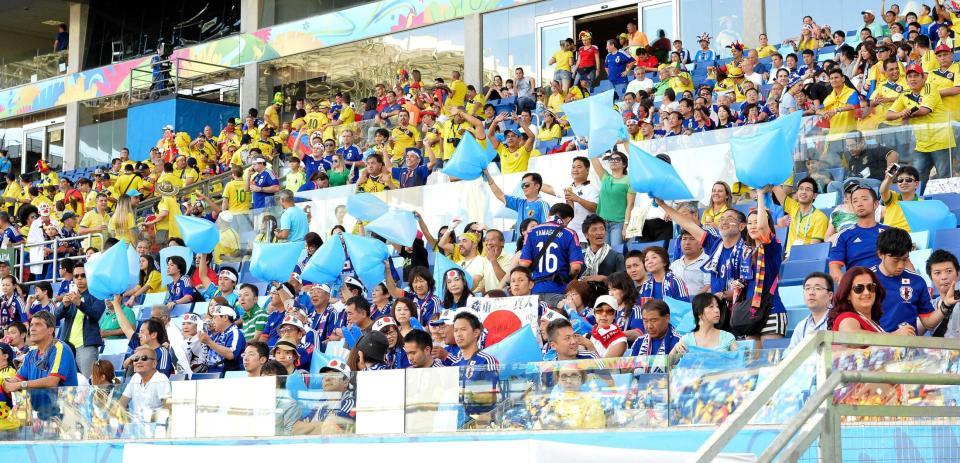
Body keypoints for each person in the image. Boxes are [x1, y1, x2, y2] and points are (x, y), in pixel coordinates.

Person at [886, 63, 955, 194]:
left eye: (916, 76)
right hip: (922, 144)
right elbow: (889, 115)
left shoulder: (930, 88)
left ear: (923, 78)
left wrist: (907, 114)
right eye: (909, 76)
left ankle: (945, 204)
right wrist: (902, 114)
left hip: (941, 142)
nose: (912, 79)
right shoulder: (905, 94)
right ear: (906, 80)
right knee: (916, 178)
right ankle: (920, 204)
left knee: (944, 178)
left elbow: (924, 110)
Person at [1, 311, 78, 419]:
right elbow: (17, 379)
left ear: (50, 330)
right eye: (31, 325)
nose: (32, 328)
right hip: (39, 416)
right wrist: (7, 382)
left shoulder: (60, 348)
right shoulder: (31, 354)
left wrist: (20, 385)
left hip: (62, 415)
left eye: (38, 324)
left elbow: (52, 381)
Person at [872, 228, 941, 334]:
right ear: (881, 254)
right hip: (875, 347)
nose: (901, 266)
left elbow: (928, 323)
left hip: (908, 347)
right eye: (895, 260)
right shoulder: (866, 279)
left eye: (905, 259)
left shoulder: (917, 281)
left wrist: (946, 306)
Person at [519, 203, 583, 301]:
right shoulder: (570, 233)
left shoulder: (531, 232)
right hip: (560, 291)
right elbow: (575, 267)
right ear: (569, 219)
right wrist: (569, 278)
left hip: (535, 291)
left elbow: (524, 264)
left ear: (549, 214)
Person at [828, 185, 888, 284]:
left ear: (876, 204)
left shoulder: (889, 232)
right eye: (855, 201)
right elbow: (834, 269)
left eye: (864, 199)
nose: (859, 204)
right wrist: (849, 288)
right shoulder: (843, 236)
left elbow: (905, 263)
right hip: (859, 287)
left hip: (888, 284)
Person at [54, 262, 105, 378]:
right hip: (67, 347)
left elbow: (96, 314)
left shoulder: (97, 294)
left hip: (86, 346)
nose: (80, 278)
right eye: (76, 276)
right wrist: (64, 305)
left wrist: (79, 304)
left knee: (88, 382)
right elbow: (54, 318)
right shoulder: (70, 295)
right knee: (68, 385)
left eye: (83, 275)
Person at [829, 266, 910, 335]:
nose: (866, 292)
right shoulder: (846, 317)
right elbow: (852, 338)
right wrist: (895, 336)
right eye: (858, 288)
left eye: (870, 287)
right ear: (848, 295)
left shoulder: (871, 322)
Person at [450, 311, 499, 419]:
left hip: (479, 424)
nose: (458, 334)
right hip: (455, 424)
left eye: (463, 329)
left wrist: (467, 394)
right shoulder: (455, 364)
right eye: (455, 330)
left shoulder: (486, 360)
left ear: (476, 332)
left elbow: (492, 398)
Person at [118, 346, 171, 433]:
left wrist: (147, 417)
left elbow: (168, 409)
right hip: (137, 429)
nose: (139, 361)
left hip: (157, 429)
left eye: (144, 358)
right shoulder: (135, 377)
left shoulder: (161, 379)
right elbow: (121, 403)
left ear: (154, 363)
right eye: (136, 359)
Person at [483, 169, 550, 238]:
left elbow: (547, 228)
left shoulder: (543, 204)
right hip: (521, 246)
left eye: (526, 185)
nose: (524, 188)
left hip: (536, 246)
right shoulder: (520, 203)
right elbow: (500, 195)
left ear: (537, 186)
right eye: (522, 185)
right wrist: (489, 177)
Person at [538, 363, 606, 429]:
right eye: (564, 376)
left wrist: (563, 426)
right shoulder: (553, 405)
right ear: (559, 379)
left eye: (574, 376)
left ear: (581, 378)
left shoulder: (592, 405)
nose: (569, 381)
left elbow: (594, 436)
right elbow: (537, 430)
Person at [772, 177, 829, 255]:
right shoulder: (793, 207)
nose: (803, 192)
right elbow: (776, 188)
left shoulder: (820, 218)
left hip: (806, 257)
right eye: (801, 189)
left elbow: (813, 248)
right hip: (788, 255)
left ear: (815, 195)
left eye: (808, 189)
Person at [591, 151, 634, 251]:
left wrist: (626, 226)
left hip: (619, 223)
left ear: (624, 164)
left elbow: (630, 205)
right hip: (601, 223)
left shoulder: (629, 180)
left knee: (616, 251)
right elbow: (593, 157)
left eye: (617, 159)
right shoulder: (605, 177)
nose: (613, 161)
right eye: (611, 159)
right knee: (604, 252)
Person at [672, 293, 737, 353]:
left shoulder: (728, 338)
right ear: (699, 312)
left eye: (717, 307)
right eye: (711, 306)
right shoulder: (686, 340)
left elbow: (740, 361)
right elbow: (666, 364)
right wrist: (675, 349)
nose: (717, 310)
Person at [628, 300, 680, 371]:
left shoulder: (678, 342)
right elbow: (629, 370)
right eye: (645, 321)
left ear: (667, 318)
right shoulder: (639, 341)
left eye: (654, 320)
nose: (649, 326)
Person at [788, 272, 834, 349]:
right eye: (807, 288)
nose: (811, 293)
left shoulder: (839, 319)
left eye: (818, 288)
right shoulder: (801, 326)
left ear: (830, 295)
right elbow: (789, 354)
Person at [199, 305, 246, 374]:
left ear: (225, 317)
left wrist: (209, 342)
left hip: (226, 375)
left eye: (215, 318)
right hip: (212, 373)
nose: (212, 321)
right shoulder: (217, 335)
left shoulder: (235, 332)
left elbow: (231, 354)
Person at [579, 215, 624, 282]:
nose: (599, 233)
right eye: (594, 230)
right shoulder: (581, 258)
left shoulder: (617, 257)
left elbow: (623, 282)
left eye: (602, 229)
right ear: (586, 235)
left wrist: (604, 279)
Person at [927, 250, 960, 337]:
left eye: (949, 271)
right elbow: (915, 332)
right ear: (931, 278)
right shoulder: (930, 305)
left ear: (958, 273)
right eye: (937, 273)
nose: (944, 277)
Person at [879, 165, 920, 231]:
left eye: (908, 180)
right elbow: (882, 191)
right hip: (888, 236)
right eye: (900, 180)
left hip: (910, 237)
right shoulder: (893, 197)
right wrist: (889, 177)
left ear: (916, 184)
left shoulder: (923, 203)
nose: (904, 182)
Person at [670, 228, 709, 296]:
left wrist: (693, 301)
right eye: (684, 239)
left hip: (700, 303)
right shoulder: (674, 265)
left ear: (701, 243)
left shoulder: (708, 261)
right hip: (676, 304)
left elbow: (709, 286)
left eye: (692, 239)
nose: (687, 243)